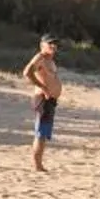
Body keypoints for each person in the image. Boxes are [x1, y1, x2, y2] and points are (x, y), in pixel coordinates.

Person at [21, 35, 61, 173]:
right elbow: (27, 72)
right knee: (40, 133)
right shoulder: (40, 57)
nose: (53, 46)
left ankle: (39, 164)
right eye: (50, 43)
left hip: (50, 100)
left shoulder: (50, 60)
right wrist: (43, 87)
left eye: (55, 44)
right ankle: (37, 165)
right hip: (42, 99)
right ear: (42, 45)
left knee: (44, 134)